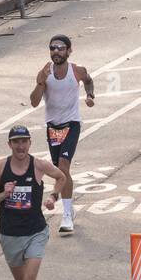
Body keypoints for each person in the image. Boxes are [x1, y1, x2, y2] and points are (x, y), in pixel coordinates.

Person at [0, 125, 65, 280]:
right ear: (9, 144)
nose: (20, 146)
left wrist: (53, 196)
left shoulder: (38, 165)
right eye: (16, 142)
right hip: (9, 235)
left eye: (24, 141)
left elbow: (61, 177)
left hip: (35, 233)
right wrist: (4, 194)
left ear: (30, 143)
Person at [29, 34, 93, 234]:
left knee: (64, 167)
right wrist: (40, 83)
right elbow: (33, 102)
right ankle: (69, 207)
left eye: (60, 48)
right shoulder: (45, 73)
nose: (56, 51)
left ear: (69, 51)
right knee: (60, 171)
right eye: (52, 48)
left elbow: (89, 80)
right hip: (53, 127)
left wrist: (90, 95)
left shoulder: (77, 71)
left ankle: (66, 215)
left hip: (72, 124)